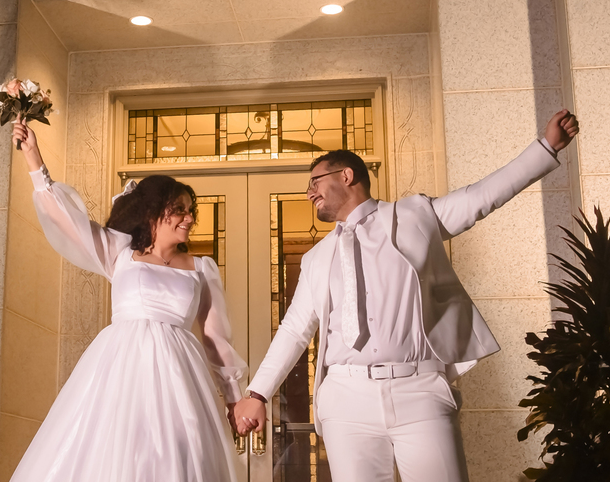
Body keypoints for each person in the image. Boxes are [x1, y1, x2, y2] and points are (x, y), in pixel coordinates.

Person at [233, 109, 580, 482]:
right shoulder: (317, 258)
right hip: (346, 397)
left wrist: (545, 148)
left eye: (315, 181)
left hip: (420, 389)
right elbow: (295, 329)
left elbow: (481, 197)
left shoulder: (414, 215)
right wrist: (258, 392)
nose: (309, 192)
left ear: (346, 176)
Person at [8, 119, 247, 482]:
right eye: (180, 209)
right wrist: (33, 158)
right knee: (113, 452)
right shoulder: (118, 252)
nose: (190, 218)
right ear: (153, 212)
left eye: (190, 210)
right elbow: (68, 220)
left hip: (179, 376)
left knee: (178, 456)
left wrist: (234, 397)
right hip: (119, 369)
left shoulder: (202, 268)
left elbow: (215, 339)